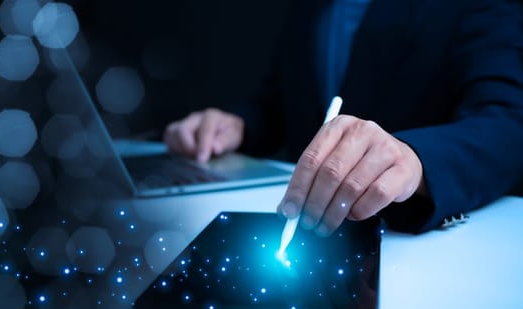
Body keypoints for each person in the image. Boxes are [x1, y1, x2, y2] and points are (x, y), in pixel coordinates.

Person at [163, 0, 523, 234]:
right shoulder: (311, 8)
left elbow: (509, 122)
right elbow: (282, 98)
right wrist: (239, 124)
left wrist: (416, 159)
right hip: (311, 238)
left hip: (412, 250)